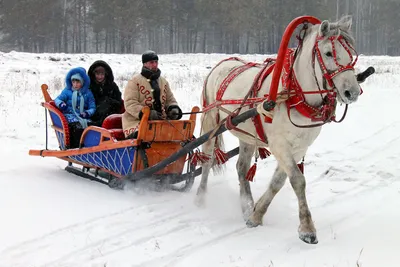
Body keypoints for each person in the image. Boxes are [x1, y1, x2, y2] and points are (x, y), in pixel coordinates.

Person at [122, 50, 182, 138]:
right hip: (136, 122)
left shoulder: (163, 82)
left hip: (161, 121)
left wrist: (173, 109)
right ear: (144, 64)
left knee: (180, 134)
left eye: (156, 62)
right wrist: (148, 114)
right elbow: (130, 103)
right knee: (144, 135)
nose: (154, 65)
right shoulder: (134, 81)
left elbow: (170, 100)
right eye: (151, 62)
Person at [55, 67, 96, 148]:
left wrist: (87, 113)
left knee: (91, 126)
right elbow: (58, 99)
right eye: (73, 82)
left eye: (78, 82)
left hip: (82, 116)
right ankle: (75, 146)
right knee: (76, 126)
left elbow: (92, 107)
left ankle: (89, 145)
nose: (75, 84)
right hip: (70, 115)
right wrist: (61, 104)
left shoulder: (87, 93)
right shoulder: (67, 91)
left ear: (83, 82)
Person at [88, 60, 123, 126]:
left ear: (105, 74)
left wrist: (109, 101)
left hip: (111, 112)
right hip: (95, 112)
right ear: (94, 74)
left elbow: (118, 100)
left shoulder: (112, 85)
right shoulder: (90, 86)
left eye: (102, 74)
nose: (100, 77)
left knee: (107, 104)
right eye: (97, 74)